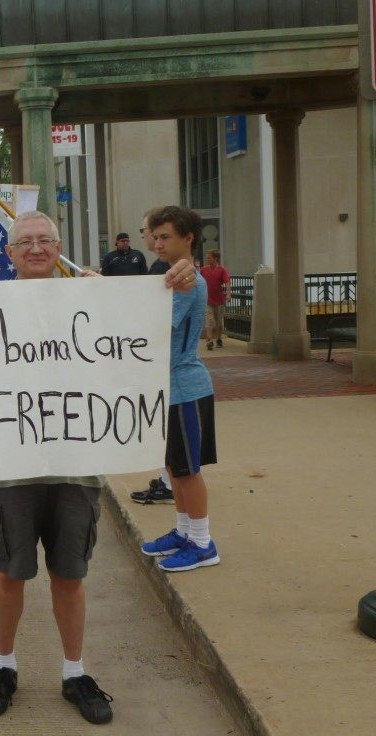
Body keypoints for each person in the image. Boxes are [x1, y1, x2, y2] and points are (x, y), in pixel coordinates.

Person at [0, 211, 196, 726]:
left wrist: (175, 277)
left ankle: (74, 672)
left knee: (70, 573)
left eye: (45, 241)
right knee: (9, 573)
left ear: (58, 248)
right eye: (25, 242)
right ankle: (5, 665)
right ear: (11, 253)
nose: (35, 248)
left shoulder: (95, 296)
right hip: (9, 468)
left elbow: (142, 330)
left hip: (75, 467)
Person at [141, 206, 221, 572]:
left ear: (187, 238)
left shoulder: (187, 281)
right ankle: (184, 531)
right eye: (154, 237)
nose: (157, 243)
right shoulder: (171, 275)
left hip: (184, 387)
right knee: (174, 467)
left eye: (165, 237)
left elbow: (157, 325)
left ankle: (202, 542)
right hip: (169, 388)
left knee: (187, 470)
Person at [131, 208, 174, 504]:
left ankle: (170, 485)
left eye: (160, 235)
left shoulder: (169, 270)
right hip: (159, 367)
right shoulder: (161, 265)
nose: (152, 239)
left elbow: (154, 319)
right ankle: (167, 481)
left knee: (169, 439)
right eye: (152, 234)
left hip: (167, 370)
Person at [201, 249, 231, 350]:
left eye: (209, 257)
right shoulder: (204, 270)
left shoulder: (222, 270)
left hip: (219, 300)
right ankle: (209, 340)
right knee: (209, 320)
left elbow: (227, 282)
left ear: (215, 258)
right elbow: (199, 281)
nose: (207, 259)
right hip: (208, 299)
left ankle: (218, 338)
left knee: (218, 322)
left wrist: (228, 294)